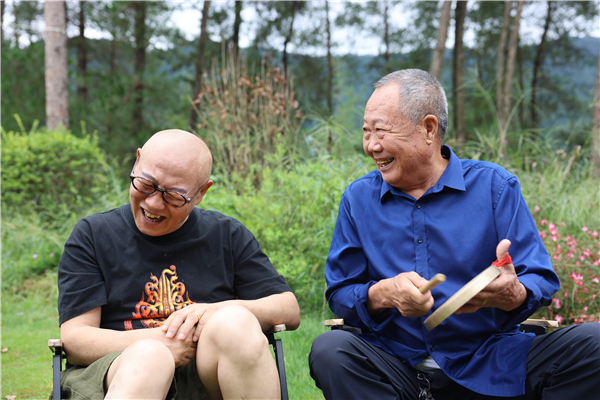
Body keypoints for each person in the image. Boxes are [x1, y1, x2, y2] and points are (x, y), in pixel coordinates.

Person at [309, 69, 599, 400]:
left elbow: (540, 278)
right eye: (366, 131)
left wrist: (515, 292)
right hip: (397, 365)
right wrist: (382, 294)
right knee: (331, 350)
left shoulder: (495, 187)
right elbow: (340, 293)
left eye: (381, 131)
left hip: (492, 359)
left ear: (428, 129)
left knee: (594, 344)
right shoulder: (358, 198)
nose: (372, 145)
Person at [56, 129, 300, 400]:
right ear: (137, 161)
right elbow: (75, 339)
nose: (153, 203)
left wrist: (214, 311)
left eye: (173, 196)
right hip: (121, 371)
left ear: (201, 192)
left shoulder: (227, 235)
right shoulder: (93, 235)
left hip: (207, 378)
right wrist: (158, 342)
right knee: (150, 357)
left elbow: (288, 309)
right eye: (146, 184)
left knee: (236, 321)